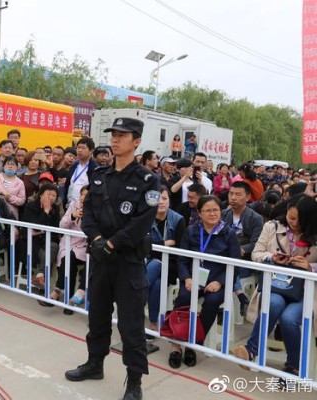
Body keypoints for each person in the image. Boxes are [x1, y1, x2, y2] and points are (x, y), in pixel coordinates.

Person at [65, 117, 159, 400]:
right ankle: (95, 363)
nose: (115, 139)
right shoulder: (99, 176)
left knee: (131, 323)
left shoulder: (147, 179)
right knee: (98, 316)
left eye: (123, 135)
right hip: (100, 257)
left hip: (128, 261)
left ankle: (134, 381)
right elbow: (89, 211)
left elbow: (143, 221)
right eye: (113, 134)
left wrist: (114, 242)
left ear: (137, 141)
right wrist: (95, 240)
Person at [234, 194, 317, 377]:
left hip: (305, 292)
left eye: (299, 219)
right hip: (276, 284)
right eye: (291, 217)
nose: (294, 222)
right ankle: (251, 350)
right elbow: (256, 254)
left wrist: (310, 266)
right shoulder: (271, 227)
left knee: (289, 319)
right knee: (273, 303)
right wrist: (272, 257)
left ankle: (293, 367)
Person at [168, 195, 240, 369]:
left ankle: (195, 342)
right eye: (208, 210)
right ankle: (177, 345)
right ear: (199, 213)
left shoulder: (228, 233)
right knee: (184, 298)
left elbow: (236, 263)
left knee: (213, 301)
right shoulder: (191, 231)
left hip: (217, 279)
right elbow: (182, 259)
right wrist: (187, 278)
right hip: (195, 278)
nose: (212, 213)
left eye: (215, 210)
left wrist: (220, 282)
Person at [39, 185, 90, 315]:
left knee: (72, 257)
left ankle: (58, 293)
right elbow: (62, 224)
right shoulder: (74, 205)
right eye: (82, 195)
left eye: (87, 195)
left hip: (86, 244)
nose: (84, 198)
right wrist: (73, 216)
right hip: (70, 241)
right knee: (68, 258)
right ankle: (68, 299)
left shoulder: (97, 208)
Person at [145, 186, 185, 336]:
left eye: (164, 198)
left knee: (156, 264)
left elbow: (180, 247)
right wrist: (166, 243)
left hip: (172, 265)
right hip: (148, 262)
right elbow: (144, 245)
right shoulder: (146, 217)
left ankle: (135, 303)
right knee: (156, 284)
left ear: (169, 201)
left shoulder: (177, 219)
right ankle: (154, 322)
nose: (161, 202)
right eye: (157, 199)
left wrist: (157, 246)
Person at [222, 181, 264, 316]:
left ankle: (227, 306)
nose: (233, 197)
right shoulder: (223, 214)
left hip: (243, 259)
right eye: (231, 194)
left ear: (247, 197)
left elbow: (256, 243)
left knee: (229, 270)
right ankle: (239, 296)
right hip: (224, 255)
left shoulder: (255, 218)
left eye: (238, 195)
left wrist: (240, 249)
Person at [64, 137, 97, 209]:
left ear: (91, 151)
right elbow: (67, 185)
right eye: (78, 147)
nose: (79, 150)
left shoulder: (95, 168)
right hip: (70, 206)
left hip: (84, 208)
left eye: (83, 148)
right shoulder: (74, 166)